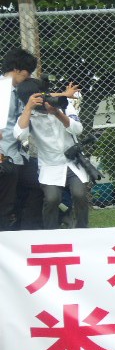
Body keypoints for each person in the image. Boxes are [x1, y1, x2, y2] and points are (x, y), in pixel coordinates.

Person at [15, 78, 89, 229]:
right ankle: (50, 233)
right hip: (50, 165)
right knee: (52, 198)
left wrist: (57, 113)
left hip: (72, 162)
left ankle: (83, 229)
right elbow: (20, 135)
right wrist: (28, 109)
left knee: (79, 194)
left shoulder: (63, 105)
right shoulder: (29, 116)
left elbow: (78, 129)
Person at [0, 48, 37, 231]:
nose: (27, 78)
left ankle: (24, 231)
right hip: (4, 156)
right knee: (6, 203)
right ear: (16, 69)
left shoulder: (18, 92)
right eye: (26, 74)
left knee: (35, 186)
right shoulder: (2, 90)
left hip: (17, 155)